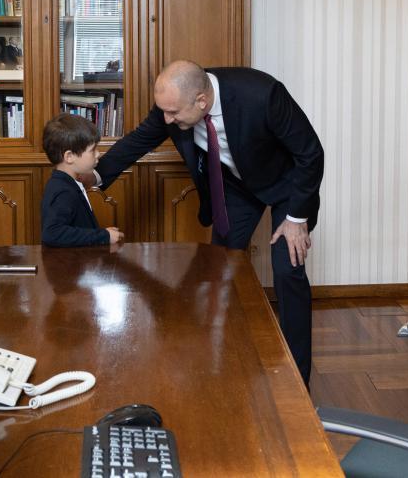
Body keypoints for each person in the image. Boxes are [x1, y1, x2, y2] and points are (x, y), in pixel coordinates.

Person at [89, 60, 324, 383]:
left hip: (287, 188)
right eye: (163, 112)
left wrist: (297, 217)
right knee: (219, 268)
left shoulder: (262, 94)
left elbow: (310, 153)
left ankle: (297, 378)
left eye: (173, 113)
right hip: (237, 187)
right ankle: (225, 358)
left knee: (287, 269)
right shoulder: (173, 103)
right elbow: (138, 140)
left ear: (202, 101)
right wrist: (94, 176)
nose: (166, 120)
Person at [41, 114, 124, 247]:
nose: (98, 154)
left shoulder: (68, 183)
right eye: (92, 150)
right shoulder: (63, 191)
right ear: (69, 156)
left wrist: (101, 233)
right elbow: (52, 234)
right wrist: (103, 236)